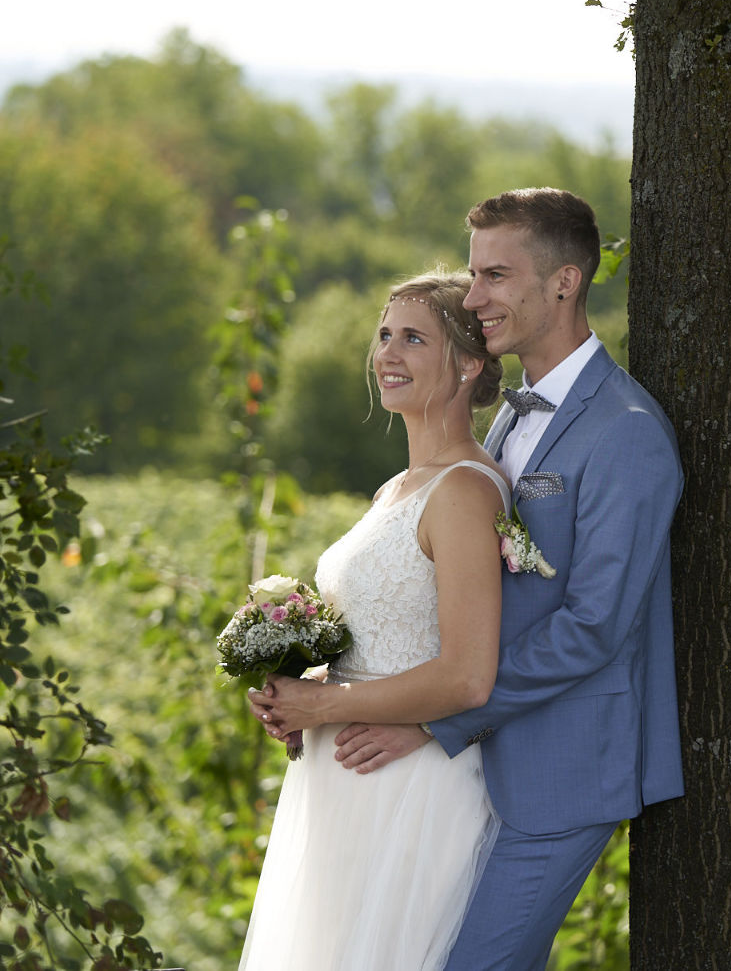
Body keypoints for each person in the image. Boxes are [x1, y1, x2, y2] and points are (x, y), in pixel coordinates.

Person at [260, 187, 685, 970]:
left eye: (495, 275)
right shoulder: (513, 416)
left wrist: (435, 720)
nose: (476, 296)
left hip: (561, 769)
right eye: (474, 272)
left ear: (564, 282)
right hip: (477, 757)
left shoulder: (625, 434)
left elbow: (594, 626)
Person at [237, 269, 509, 971]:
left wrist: (325, 704)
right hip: (343, 780)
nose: (387, 352)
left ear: (468, 364)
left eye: (413, 338)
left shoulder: (464, 491)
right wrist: (300, 690)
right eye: (385, 335)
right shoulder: (397, 488)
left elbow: (467, 675)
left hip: (409, 787)